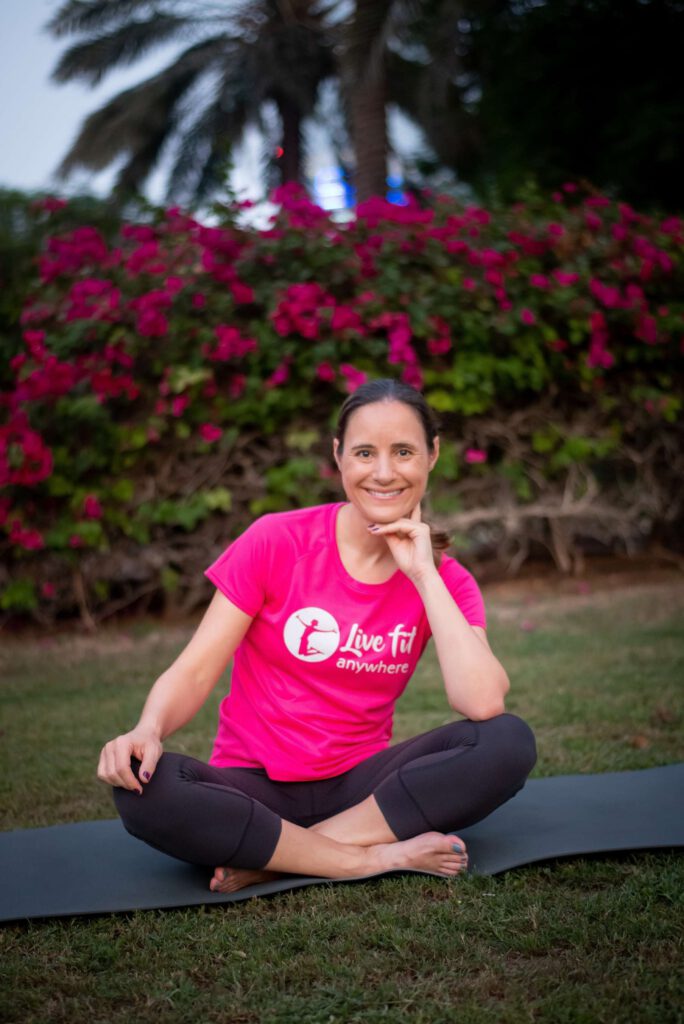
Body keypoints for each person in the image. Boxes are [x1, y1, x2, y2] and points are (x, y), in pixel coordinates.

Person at [99, 378, 537, 895]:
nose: (383, 472)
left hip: (363, 792)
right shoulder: (276, 540)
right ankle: (369, 859)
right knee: (143, 789)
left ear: (432, 455)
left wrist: (423, 575)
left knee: (508, 741)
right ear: (338, 456)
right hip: (256, 787)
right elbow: (196, 669)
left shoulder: (446, 580)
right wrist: (148, 729)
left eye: (403, 452)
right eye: (364, 452)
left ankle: (280, 857)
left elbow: (483, 701)